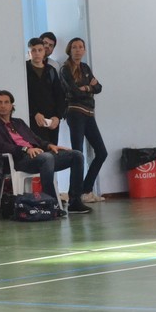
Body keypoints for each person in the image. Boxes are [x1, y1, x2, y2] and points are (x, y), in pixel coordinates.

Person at [0, 90, 91, 214]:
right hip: (20, 160)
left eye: (6, 102)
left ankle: (75, 202)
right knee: (46, 158)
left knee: (77, 155)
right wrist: (25, 149)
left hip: (38, 156)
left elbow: (36, 139)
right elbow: (1, 146)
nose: (3, 105)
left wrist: (50, 145)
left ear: (11, 106)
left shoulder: (19, 122)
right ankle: (51, 204)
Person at [60, 37, 108, 204]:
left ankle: (85, 190)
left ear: (84, 50)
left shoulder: (85, 68)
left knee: (102, 152)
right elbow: (73, 92)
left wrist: (87, 87)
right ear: (70, 50)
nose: (78, 50)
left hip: (89, 113)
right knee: (78, 153)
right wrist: (90, 88)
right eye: (75, 47)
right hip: (75, 113)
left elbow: (99, 87)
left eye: (81, 47)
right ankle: (74, 194)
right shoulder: (65, 69)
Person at [25, 37, 66, 145]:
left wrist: (57, 117)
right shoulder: (24, 70)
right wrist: (34, 113)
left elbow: (59, 95)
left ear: (44, 52)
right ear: (29, 53)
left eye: (40, 50)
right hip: (33, 119)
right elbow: (25, 95)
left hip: (51, 119)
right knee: (38, 150)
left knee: (53, 149)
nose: (37, 53)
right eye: (33, 50)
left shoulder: (51, 70)